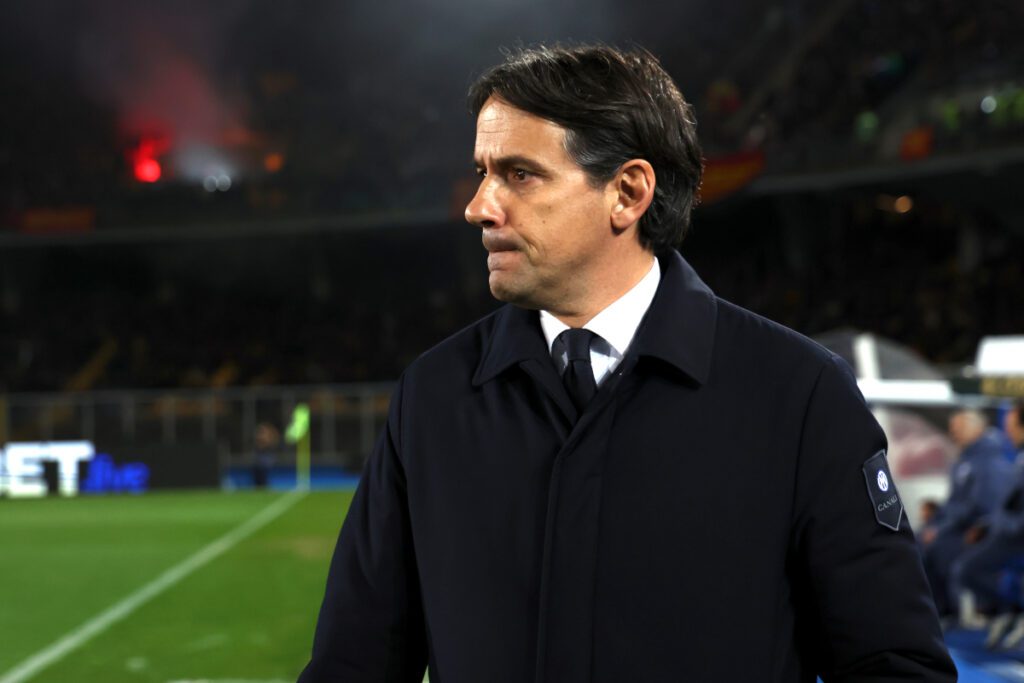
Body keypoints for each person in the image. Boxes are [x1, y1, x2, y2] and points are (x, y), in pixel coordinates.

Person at [299, 44, 955, 682]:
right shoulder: (435, 396)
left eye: (519, 174)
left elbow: (893, 664)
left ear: (629, 191)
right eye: (482, 172)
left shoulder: (800, 395)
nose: (479, 206)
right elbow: (353, 664)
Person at [921, 409, 1014, 618]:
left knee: (937, 549)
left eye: (959, 429)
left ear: (976, 429)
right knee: (918, 541)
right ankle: (936, 611)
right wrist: (936, 519)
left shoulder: (989, 462)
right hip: (960, 527)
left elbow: (980, 505)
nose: (953, 434)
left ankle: (951, 611)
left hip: (976, 531)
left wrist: (940, 529)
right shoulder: (963, 461)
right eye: (952, 429)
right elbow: (955, 503)